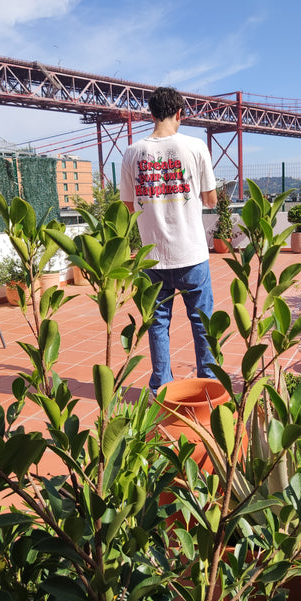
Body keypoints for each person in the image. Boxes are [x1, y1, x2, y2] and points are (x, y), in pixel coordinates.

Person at [120, 86, 218, 394]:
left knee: (157, 323)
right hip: (191, 254)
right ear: (180, 114)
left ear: (150, 114)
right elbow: (212, 200)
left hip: (152, 257)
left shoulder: (132, 152)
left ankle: (160, 387)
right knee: (202, 322)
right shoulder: (196, 147)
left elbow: (128, 205)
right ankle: (209, 385)